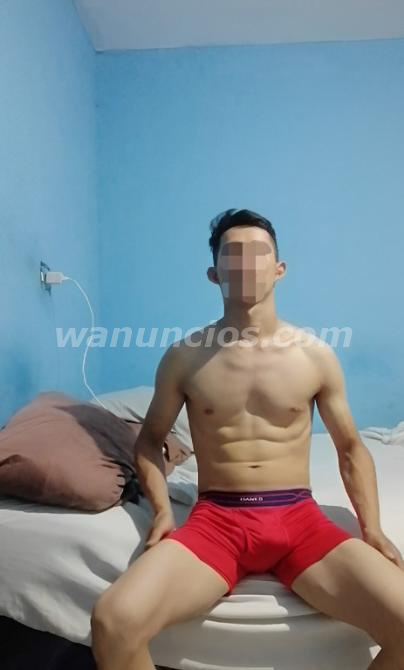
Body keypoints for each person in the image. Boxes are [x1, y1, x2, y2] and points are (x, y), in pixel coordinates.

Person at [91, 208, 404, 670]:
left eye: (259, 253)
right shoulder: (184, 357)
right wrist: (161, 511)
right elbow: (149, 442)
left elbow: (351, 449)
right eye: (232, 254)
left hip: (298, 519)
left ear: (280, 269)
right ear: (214, 273)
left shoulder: (314, 356)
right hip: (217, 522)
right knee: (112, 622)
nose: (246, 263)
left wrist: (371, 528)